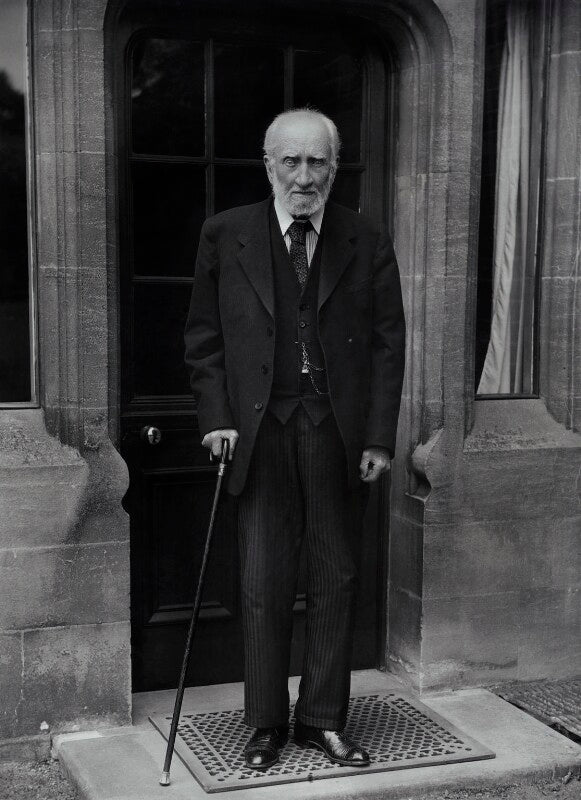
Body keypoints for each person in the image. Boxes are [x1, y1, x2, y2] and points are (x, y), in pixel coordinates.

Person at [184, 108, 405, 770]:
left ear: (333, 168)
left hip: (336, 432)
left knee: (336, 577)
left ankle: (322, 720)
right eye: (291, 161)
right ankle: (265, 723)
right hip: (259, 431)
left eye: (317, 162)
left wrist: (378, 437)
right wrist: (216, 417)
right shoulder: (226, 234)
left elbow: (386, 345)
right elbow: (203, 337)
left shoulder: (365, 237)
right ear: (268, 164)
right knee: (262, 580)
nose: (304, 176)